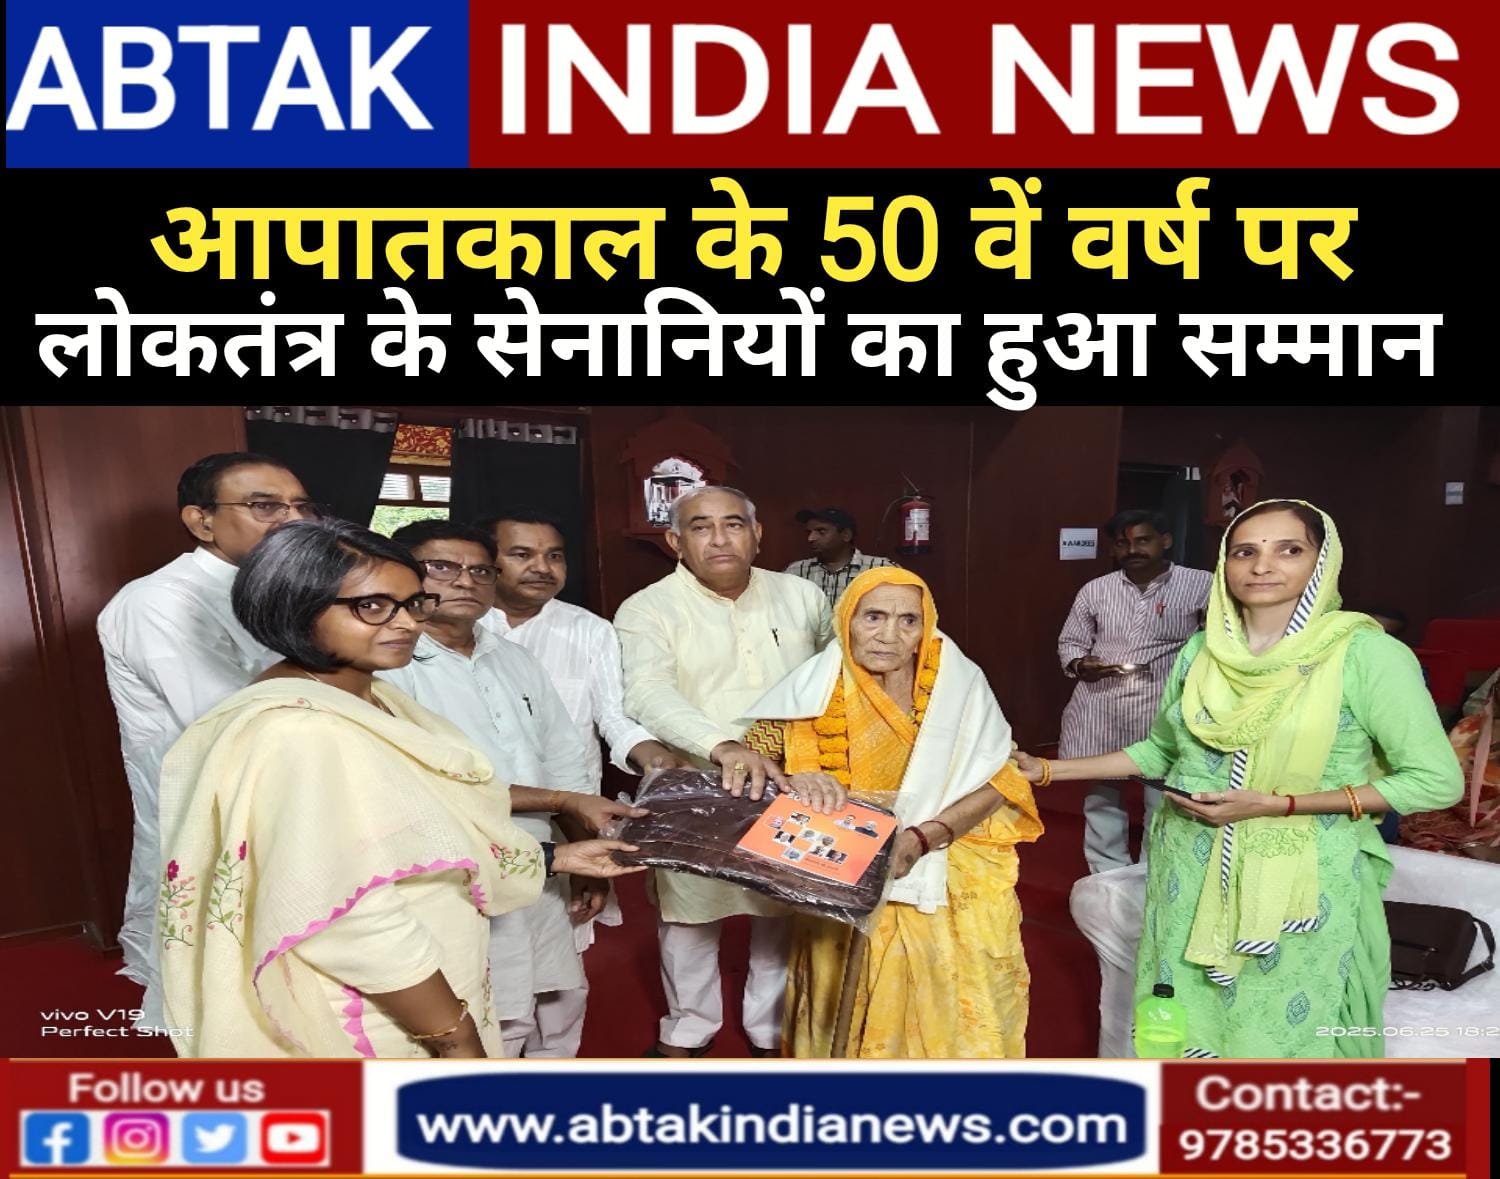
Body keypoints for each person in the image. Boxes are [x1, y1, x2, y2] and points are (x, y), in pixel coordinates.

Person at [157, 519, 640, 1057]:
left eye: (411, 604)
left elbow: (438, 816)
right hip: (380, 1003)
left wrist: (561, 857)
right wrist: (450, 1033)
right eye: (372, 606)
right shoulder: (301, 730)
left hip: (437, 961)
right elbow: (350, 914)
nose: (406, 622)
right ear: (296, 606)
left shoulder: (373, 696)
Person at [1017, 500, 1463, 1058]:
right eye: (1245, 551)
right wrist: (1048, 769)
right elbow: (1162, 751)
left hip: (1300, 878)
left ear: (1323, 560)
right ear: (1225, 564)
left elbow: (1434, 782)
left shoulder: (1366, 655)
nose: (1262, 565)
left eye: (1289, 549)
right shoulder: (1203, 652)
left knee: (1275, 1034)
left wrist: (1277, 805)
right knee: (1183, 1023)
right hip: (1186, 869)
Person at [741, 567, 1042, 1057]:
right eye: (874, 617)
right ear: (846, 619)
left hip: (948, 875)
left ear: (927, 627)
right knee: (850, 1007)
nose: (889, 635)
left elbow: (1002, 776)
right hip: (845, 873)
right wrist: (795, 780)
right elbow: (750, 768)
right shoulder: (807, 693)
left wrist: (924, 838)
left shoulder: (959, 684)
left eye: (908, 621)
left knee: (952, 1008)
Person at [381, 520, 646, 1058]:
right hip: (455, 868)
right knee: (492, 1010)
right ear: (403, 576)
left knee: (561, 994)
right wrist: (562, 804)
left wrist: (581, 851)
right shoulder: (390, 668)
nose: (465, 581)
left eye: (480, 570)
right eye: (442, 568)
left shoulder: (513, 658)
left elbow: (564, 759)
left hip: (543, 856)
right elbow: (421, 784)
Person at [98, 452, 319, 1029]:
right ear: (201, 521)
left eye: (301, 506)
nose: (293, 520)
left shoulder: (274, 589)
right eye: (265, 506)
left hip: (285, 782)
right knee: (217, 969)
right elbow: (228, 714)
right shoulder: (158, 600)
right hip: (210, 793)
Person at [615, 486, 835, 1058]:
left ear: (757, 534)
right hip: (695, 780)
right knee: (688, 912)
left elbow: (835, 674)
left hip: (790, 778)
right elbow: (647, 691)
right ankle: (689, 1026)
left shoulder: (802, 595)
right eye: (700, 527)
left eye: (733, 524)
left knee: (781, 907)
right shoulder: (647, 608)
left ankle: (769, 1027)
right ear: (675, 540)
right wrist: (723, 746)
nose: (719, 539)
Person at [1057, 508, 1212, 873]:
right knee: (1101, 795)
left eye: (1143, 540)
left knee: (1161, 797)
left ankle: (1152, 875)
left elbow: (1218, 641)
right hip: (1101, 705)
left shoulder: (1201, 584)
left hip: (1164, 704)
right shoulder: (1096, 590)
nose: (1132, 550)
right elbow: (1070, 642)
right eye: (1122, 543)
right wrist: (1081, 665)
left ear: (1165, 541)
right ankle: (1107, 874)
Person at [784, 507, 896, 604]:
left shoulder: (881, 569)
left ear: (846, 535)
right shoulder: (796, 571)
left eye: (821, 531)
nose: (811, 538)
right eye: (809, 532)